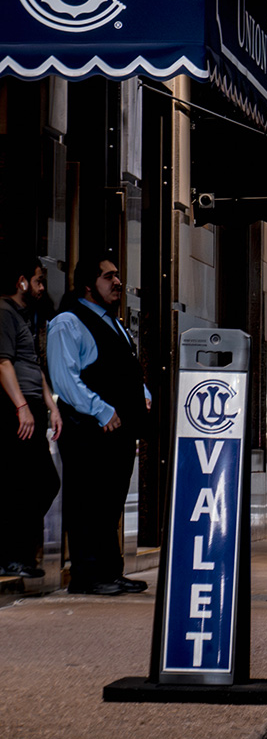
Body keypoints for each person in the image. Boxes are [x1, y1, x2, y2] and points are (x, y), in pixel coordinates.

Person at [47, 254, 151, 596]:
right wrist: (101, 410)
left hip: (119, 429)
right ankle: (87, 576)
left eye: (118, 275)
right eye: (109, 276)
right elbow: (66, 379)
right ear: (89, 285)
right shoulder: (67, 322)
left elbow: (126, 366)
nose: (117, 282)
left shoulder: (113, 320)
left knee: (110, 504)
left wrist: (143, 393)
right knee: (87, 503)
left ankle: (110, 571)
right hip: (89, 429)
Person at [0, 252, 62, 580]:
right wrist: (21, 406)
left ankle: (18, 554)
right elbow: (3, 362)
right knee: (30, 483)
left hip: (32, 409)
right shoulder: (4, 312)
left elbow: (32, 366)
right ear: (21, 281)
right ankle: (12, 555)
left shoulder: (25, 316)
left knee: (37, 483)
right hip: (17, 411)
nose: (41, 287)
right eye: (38, 280)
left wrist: (51, 407)